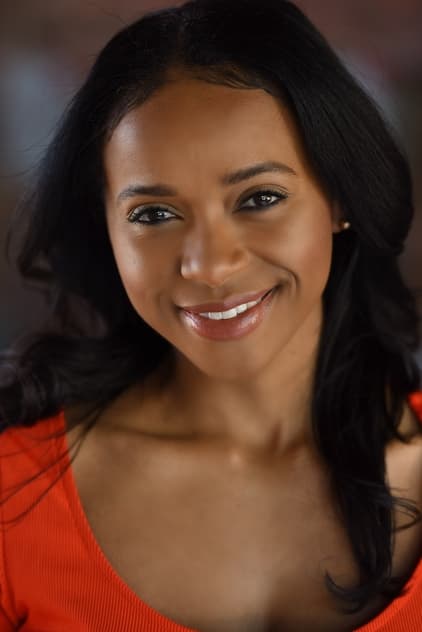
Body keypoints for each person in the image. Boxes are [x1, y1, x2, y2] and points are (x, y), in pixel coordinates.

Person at [0, 0, 421, 630]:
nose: (210, 267)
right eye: (153, 214)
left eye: (259, 198)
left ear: (339, 198)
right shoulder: (11, 496)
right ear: (105, 229)